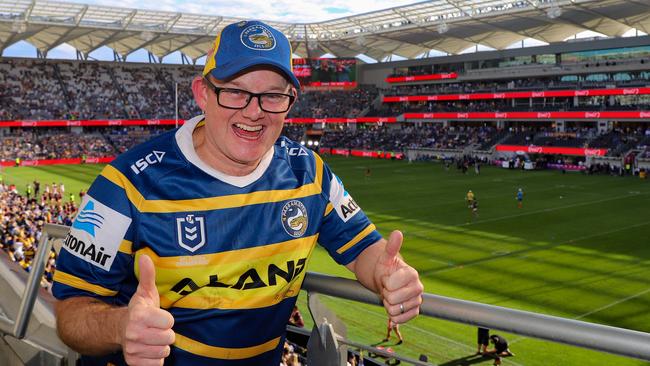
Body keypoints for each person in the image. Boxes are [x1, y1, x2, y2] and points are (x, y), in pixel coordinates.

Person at [52, 19, 423, 366]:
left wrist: (392, 276)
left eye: (272, 96)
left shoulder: (309, 172)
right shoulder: (125, 184)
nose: (254, 112)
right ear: (203, 93)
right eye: (235, 92)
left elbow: (365, 251)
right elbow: (70, 312)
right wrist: (120, 326)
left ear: (290, 102)